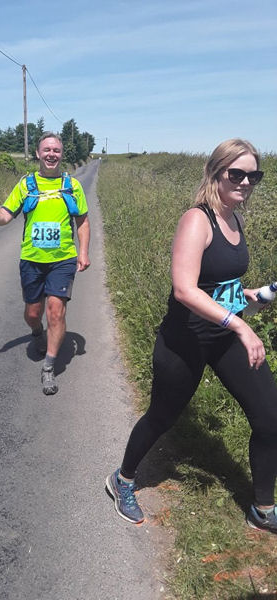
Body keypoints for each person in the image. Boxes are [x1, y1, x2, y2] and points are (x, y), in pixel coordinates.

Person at [106, 139, 277, 534]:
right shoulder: (197, 219)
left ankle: (263, 509)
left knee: (270, 418)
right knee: (163, 416)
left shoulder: (235, 218)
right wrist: (241, 324)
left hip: (221, 336)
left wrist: (246, 296)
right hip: (183, 339)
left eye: (254, 175)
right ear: (216, 173)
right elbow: (185, 289)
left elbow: (217, 280)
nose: (246, 182)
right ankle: (123, 479)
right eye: (237, 174)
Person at [0, 133, 91, 395]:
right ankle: (37, 333)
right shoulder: (26, 185)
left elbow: (82, 221)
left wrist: (83, 252)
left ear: (61, 154)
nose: (51, 154)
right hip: (32, 261)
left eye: (56, 150)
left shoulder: (73, 186)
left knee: (56, 311)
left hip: (62, 260)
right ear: (38, 153)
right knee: (33, 314)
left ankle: (48, 367)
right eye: (46, 149)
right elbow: (4, 217)